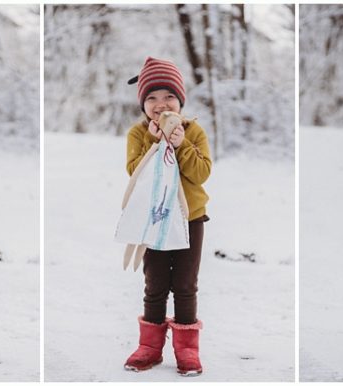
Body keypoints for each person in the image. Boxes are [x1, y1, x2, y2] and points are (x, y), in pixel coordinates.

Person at [121, 57, 213, 376]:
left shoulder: (194, 130)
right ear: (143, 104)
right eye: (152, 98)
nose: (161, 104)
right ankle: (150, 347)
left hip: (190, 219)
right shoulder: (137, 134)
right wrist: (153, 141)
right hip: (155, 219)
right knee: (155, 283)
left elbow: (201, 173)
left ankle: (187, 349)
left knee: (186, 284)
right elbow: (135, 172)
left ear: (181, 100)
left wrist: (182, 145)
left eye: (168, 96)